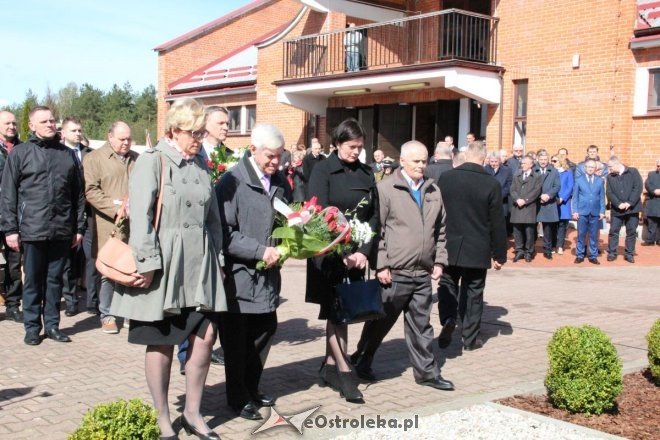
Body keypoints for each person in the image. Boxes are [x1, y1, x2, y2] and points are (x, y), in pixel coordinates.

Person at [110, 98, 226, 439]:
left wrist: (217, 260)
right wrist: (146, 262)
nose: (199, 138)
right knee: (161, 342)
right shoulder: (154, 162)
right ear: (174, 130)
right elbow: (142, 218)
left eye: (202, 132)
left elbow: (213, 220)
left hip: (200, 266)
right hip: (164, 268)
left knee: (205, 337)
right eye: (193, 132)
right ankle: (163, 418)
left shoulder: (202, 164)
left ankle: (193, 413)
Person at [351, 141, 453, 391]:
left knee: (421, 325)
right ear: (403, 161)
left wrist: (440, 259)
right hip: (394, 272)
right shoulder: (386, 189)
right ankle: (362, 358)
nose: (421, 165)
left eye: (424, 160)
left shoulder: (433, 190)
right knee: (380, 322)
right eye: (416, 161)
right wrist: (381, 264)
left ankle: (427, 373)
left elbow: (440, 230)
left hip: (422, 272)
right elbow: (379, 230)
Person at [216, 123, 292, 421]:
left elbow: (289, 219)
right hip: (239, 278)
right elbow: (224, 232)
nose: (276, 162)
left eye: (279, 156)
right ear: (253, 150)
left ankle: (251, 387)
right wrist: (260, 251)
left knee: (266, 330)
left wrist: (292, 244)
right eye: (270, 156)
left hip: (268, 277)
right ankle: (237, 397)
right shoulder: (230, 182)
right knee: (237, 342)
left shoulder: (280, 182)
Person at [306, 118, 379, 403]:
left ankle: (328, 367)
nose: (356, 152)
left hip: (357, 256)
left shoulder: (365, 173)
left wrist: (363, 251)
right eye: (351, 146)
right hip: (330, 255)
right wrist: (342, 251)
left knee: (343, 313)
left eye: (360, 147)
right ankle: (346, 372)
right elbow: (319, 213)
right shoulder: (322, 170)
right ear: (337, 144)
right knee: (335, 312)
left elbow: (373, 215)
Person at [0, 106, 85, 345]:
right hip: (31, 228)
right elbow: (8, 195)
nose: (50, 124)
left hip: (61, 228)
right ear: (32, 126)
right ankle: (31, 327)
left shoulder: (66, 155)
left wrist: (78, 227)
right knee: (33, 280)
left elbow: (78, 194)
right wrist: (11, 229)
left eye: (52, 120)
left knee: (55, 280)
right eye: (44, 121)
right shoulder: (20, 153)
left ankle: (52, 325)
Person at [436, 141, 507, 351]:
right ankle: (469, 338)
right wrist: (499, 254)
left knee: (447, 283)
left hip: (449, 243)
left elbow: (436, 212)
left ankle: (448, 318)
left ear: (466, 157)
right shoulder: (491, 183)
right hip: (478, 246)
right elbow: (497, 222)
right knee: (474, 291)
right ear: (484, 159)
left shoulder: (447, 178)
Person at [83, 121, 138, 334]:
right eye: (122, 139)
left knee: (132, 268)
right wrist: (115, 209)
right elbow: (91, 191)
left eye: (129, 139)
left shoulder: (137, 159)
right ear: (110, 137)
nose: (126, 143)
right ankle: (106, 314)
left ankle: (129, 313)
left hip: (135, 224)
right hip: (108, 224)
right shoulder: (94, 159)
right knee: (109, 271)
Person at [60, 117, 97, 317]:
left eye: (79, 130)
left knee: (91, 257)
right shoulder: (59, 154)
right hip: (70, 213)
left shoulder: (90, 154)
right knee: (70, 261)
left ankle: (92, 301)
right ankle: (72, 300)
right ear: (63, 133)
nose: (78, 133)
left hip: (90, 213)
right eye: (73, 130)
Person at [0, 110, 23, 323]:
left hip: (16, 217)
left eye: (14, 123)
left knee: (14, 264)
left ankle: (13, 305)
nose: (11, 127)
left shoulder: (23, 149)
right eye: (7, 123)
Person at [606, 157, 643, 263]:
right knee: (613, 231)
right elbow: (609, 192)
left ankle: (629, 253)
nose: (609, 169)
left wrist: (629, 203)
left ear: (617, 164)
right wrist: (618, 203)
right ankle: (612, 253)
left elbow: (638, 187)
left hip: (632, 208)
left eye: (610, 167)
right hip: (617, 210)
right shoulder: (610, 177)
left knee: (631, 231)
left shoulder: (633, 172)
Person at [571, 160, 606, 264]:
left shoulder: (600, 180)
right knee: (581, 234)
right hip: (582, 211)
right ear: (585, 168)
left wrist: (602, 211)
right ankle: (580, 255)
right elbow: (575, 196)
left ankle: (593, 255)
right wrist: (575, 211)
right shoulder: (579, 180)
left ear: (595, 169)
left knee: (593, 235)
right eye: (588, 167)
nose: (590, 169)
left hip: (595, 212)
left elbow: (602, 198)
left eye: (592, 167)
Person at [510, 156, 542, 262]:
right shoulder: (517, 174)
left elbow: (536, 191)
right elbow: (512, 189)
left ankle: (529, 252)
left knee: (529, 232)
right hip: (517, 206)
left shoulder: (537, 176)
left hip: (529, 207)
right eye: (521, 163)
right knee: (517, 230)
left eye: (524, 163)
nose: (522, 165)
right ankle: (519, 251)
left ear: (531, 164)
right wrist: (517, 199)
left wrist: (525, 200)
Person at [534, 150, 561, 259]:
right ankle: (530, 249)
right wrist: (539, 195)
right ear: (537, 160)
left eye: (545, 160)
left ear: (548, 160)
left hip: (549, 203)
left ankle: (547, 249)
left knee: (548, 229)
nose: (543, 162)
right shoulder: (533, 170)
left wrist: (548, 195)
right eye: (541, 160)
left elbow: (557, 186)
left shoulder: (554, 171)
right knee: (532, 227)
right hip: (535, 202)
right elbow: (531, 186)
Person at [484, 151, 513, 221]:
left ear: (499, 161)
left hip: (502, 203)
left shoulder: (507, 170)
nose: (493, 164)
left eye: (495, 161)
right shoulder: (485, 169)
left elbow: (508, 186)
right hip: (488, 203)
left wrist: (498, 196)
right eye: (492, 161)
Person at [555, 156, 574, 255]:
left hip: (564, 202)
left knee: (562, 225)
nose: (553, 162)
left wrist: (562, 198)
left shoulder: (568, 172)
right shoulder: (553, 172)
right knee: (553, 225)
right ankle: (553, 245)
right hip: (553, 201)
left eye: (555, 161)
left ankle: (560, 246)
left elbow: (570, 187)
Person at [642, 159, 660, 246]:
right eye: (658, 166)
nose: (659, 167)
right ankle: (650, 240)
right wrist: (653, 191)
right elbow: (647, 184)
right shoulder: (651, 174)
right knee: (651, 222)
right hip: (653, 201)